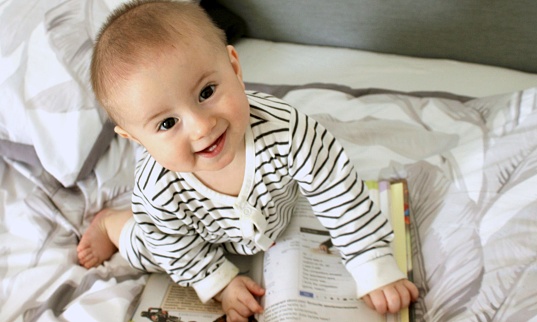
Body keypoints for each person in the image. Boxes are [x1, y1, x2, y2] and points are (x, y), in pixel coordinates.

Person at [77, 1, 419, 321]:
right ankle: (113, 224)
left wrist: (372, 265)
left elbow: (339, 191)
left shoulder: (288, 131)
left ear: (234, 68)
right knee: (148, 250)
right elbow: (175, 246)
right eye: (167, 123)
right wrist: (220, 282)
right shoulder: (157, 189)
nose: (201, 127)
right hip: (194, 237)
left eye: (207, 92)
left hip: (273, 217)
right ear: (136, 139)